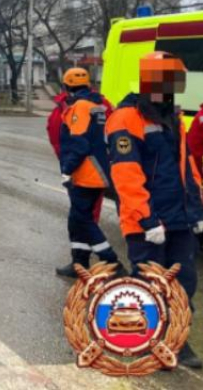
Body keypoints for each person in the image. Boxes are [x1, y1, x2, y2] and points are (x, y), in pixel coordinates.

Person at [106, 51, 203, 369]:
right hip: (147, 222)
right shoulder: (125, 119)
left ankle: (173, 338)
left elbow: (185, 165)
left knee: (184, 282)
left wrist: (197, 206)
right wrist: (147, 219)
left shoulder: (171, 117)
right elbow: (126, 174)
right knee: (150, 284)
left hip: (179, 219)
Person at [55, 67, 122, 278]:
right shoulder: (97, 105)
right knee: (77, 219)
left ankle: (112, 262)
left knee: (82, 219)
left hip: (86, 173)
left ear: (67, 87)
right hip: (98, 169)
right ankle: (80, 263)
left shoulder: (80, 107)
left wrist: (67, 169)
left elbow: (79, 143)